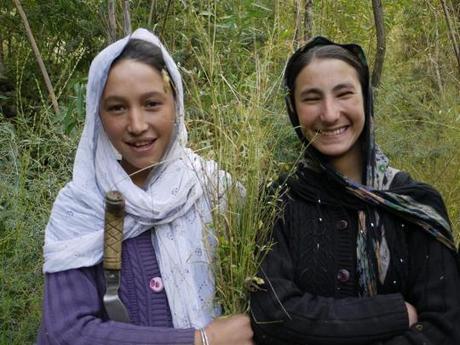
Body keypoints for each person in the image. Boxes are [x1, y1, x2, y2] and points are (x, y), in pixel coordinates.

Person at [37, 28, 253, 345]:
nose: (137, 125)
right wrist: (200, 340)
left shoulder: (216, 191)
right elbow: (68, 332)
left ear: (176, 105)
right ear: (97, 115)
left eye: (152, 103)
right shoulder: (80, 206)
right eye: (117, 108)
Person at [250, 36, 460, 345]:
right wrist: (395, 312)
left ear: (365, 98)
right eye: (311, 98)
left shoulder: (415, 204)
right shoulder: (278, 203)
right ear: (293, 110)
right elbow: (273, 315)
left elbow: (444, 329)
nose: (330, 113)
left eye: (344, 93)